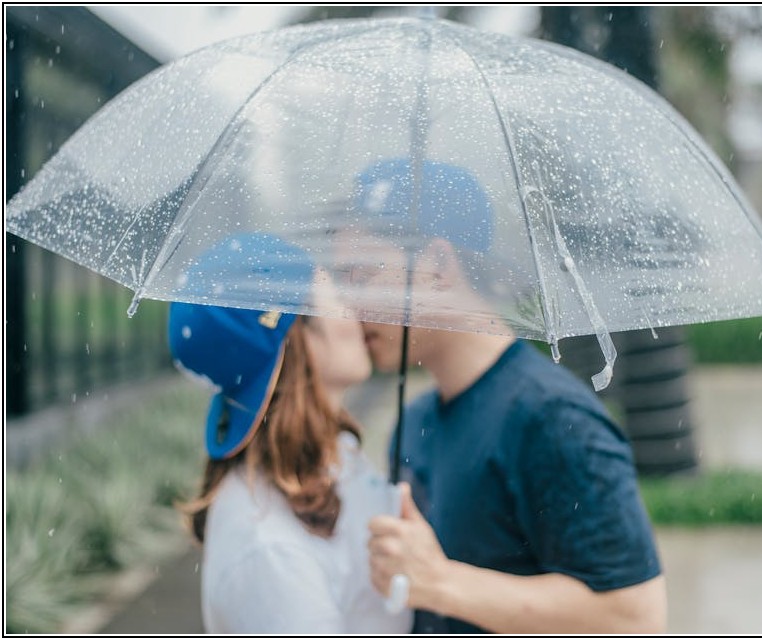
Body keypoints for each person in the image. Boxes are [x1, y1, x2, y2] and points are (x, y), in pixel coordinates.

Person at [341, 159, 668, 634]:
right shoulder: (412, 422)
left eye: (363, 274)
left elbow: (635, 616)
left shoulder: (552, 419)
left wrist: (443, 583)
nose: (350, 304)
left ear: (436, 265)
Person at [169, 233, 412, 634]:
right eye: (335, 292)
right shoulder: (268, 550)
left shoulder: (335, 451)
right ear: (297, 340)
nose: (354, 308)